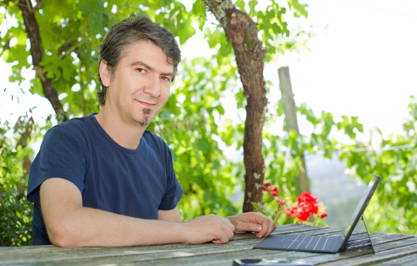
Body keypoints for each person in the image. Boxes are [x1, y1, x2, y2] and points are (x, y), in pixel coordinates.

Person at [27, 16, 275, 247]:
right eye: (141, 70)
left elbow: (170, 232)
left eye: (165, 78)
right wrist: (185, 231)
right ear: (106, 73)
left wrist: (226, 224)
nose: (155, 90)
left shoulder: (158, 152)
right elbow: (65, 227)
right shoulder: (67, 140)